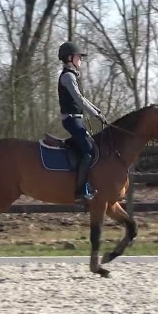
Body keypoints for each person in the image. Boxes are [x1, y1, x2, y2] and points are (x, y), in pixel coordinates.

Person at [57, 41, 108, 202]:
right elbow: (78, 99)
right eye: (79, 57)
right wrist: (95, 115)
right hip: (72, 120)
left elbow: (83, 98)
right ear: (70, 57)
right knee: (89, 151)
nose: (81, 60)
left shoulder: (72, 76)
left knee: (89, 148)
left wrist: (98, 112)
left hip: (76, 119)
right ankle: (81, 190)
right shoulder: (67, 76)